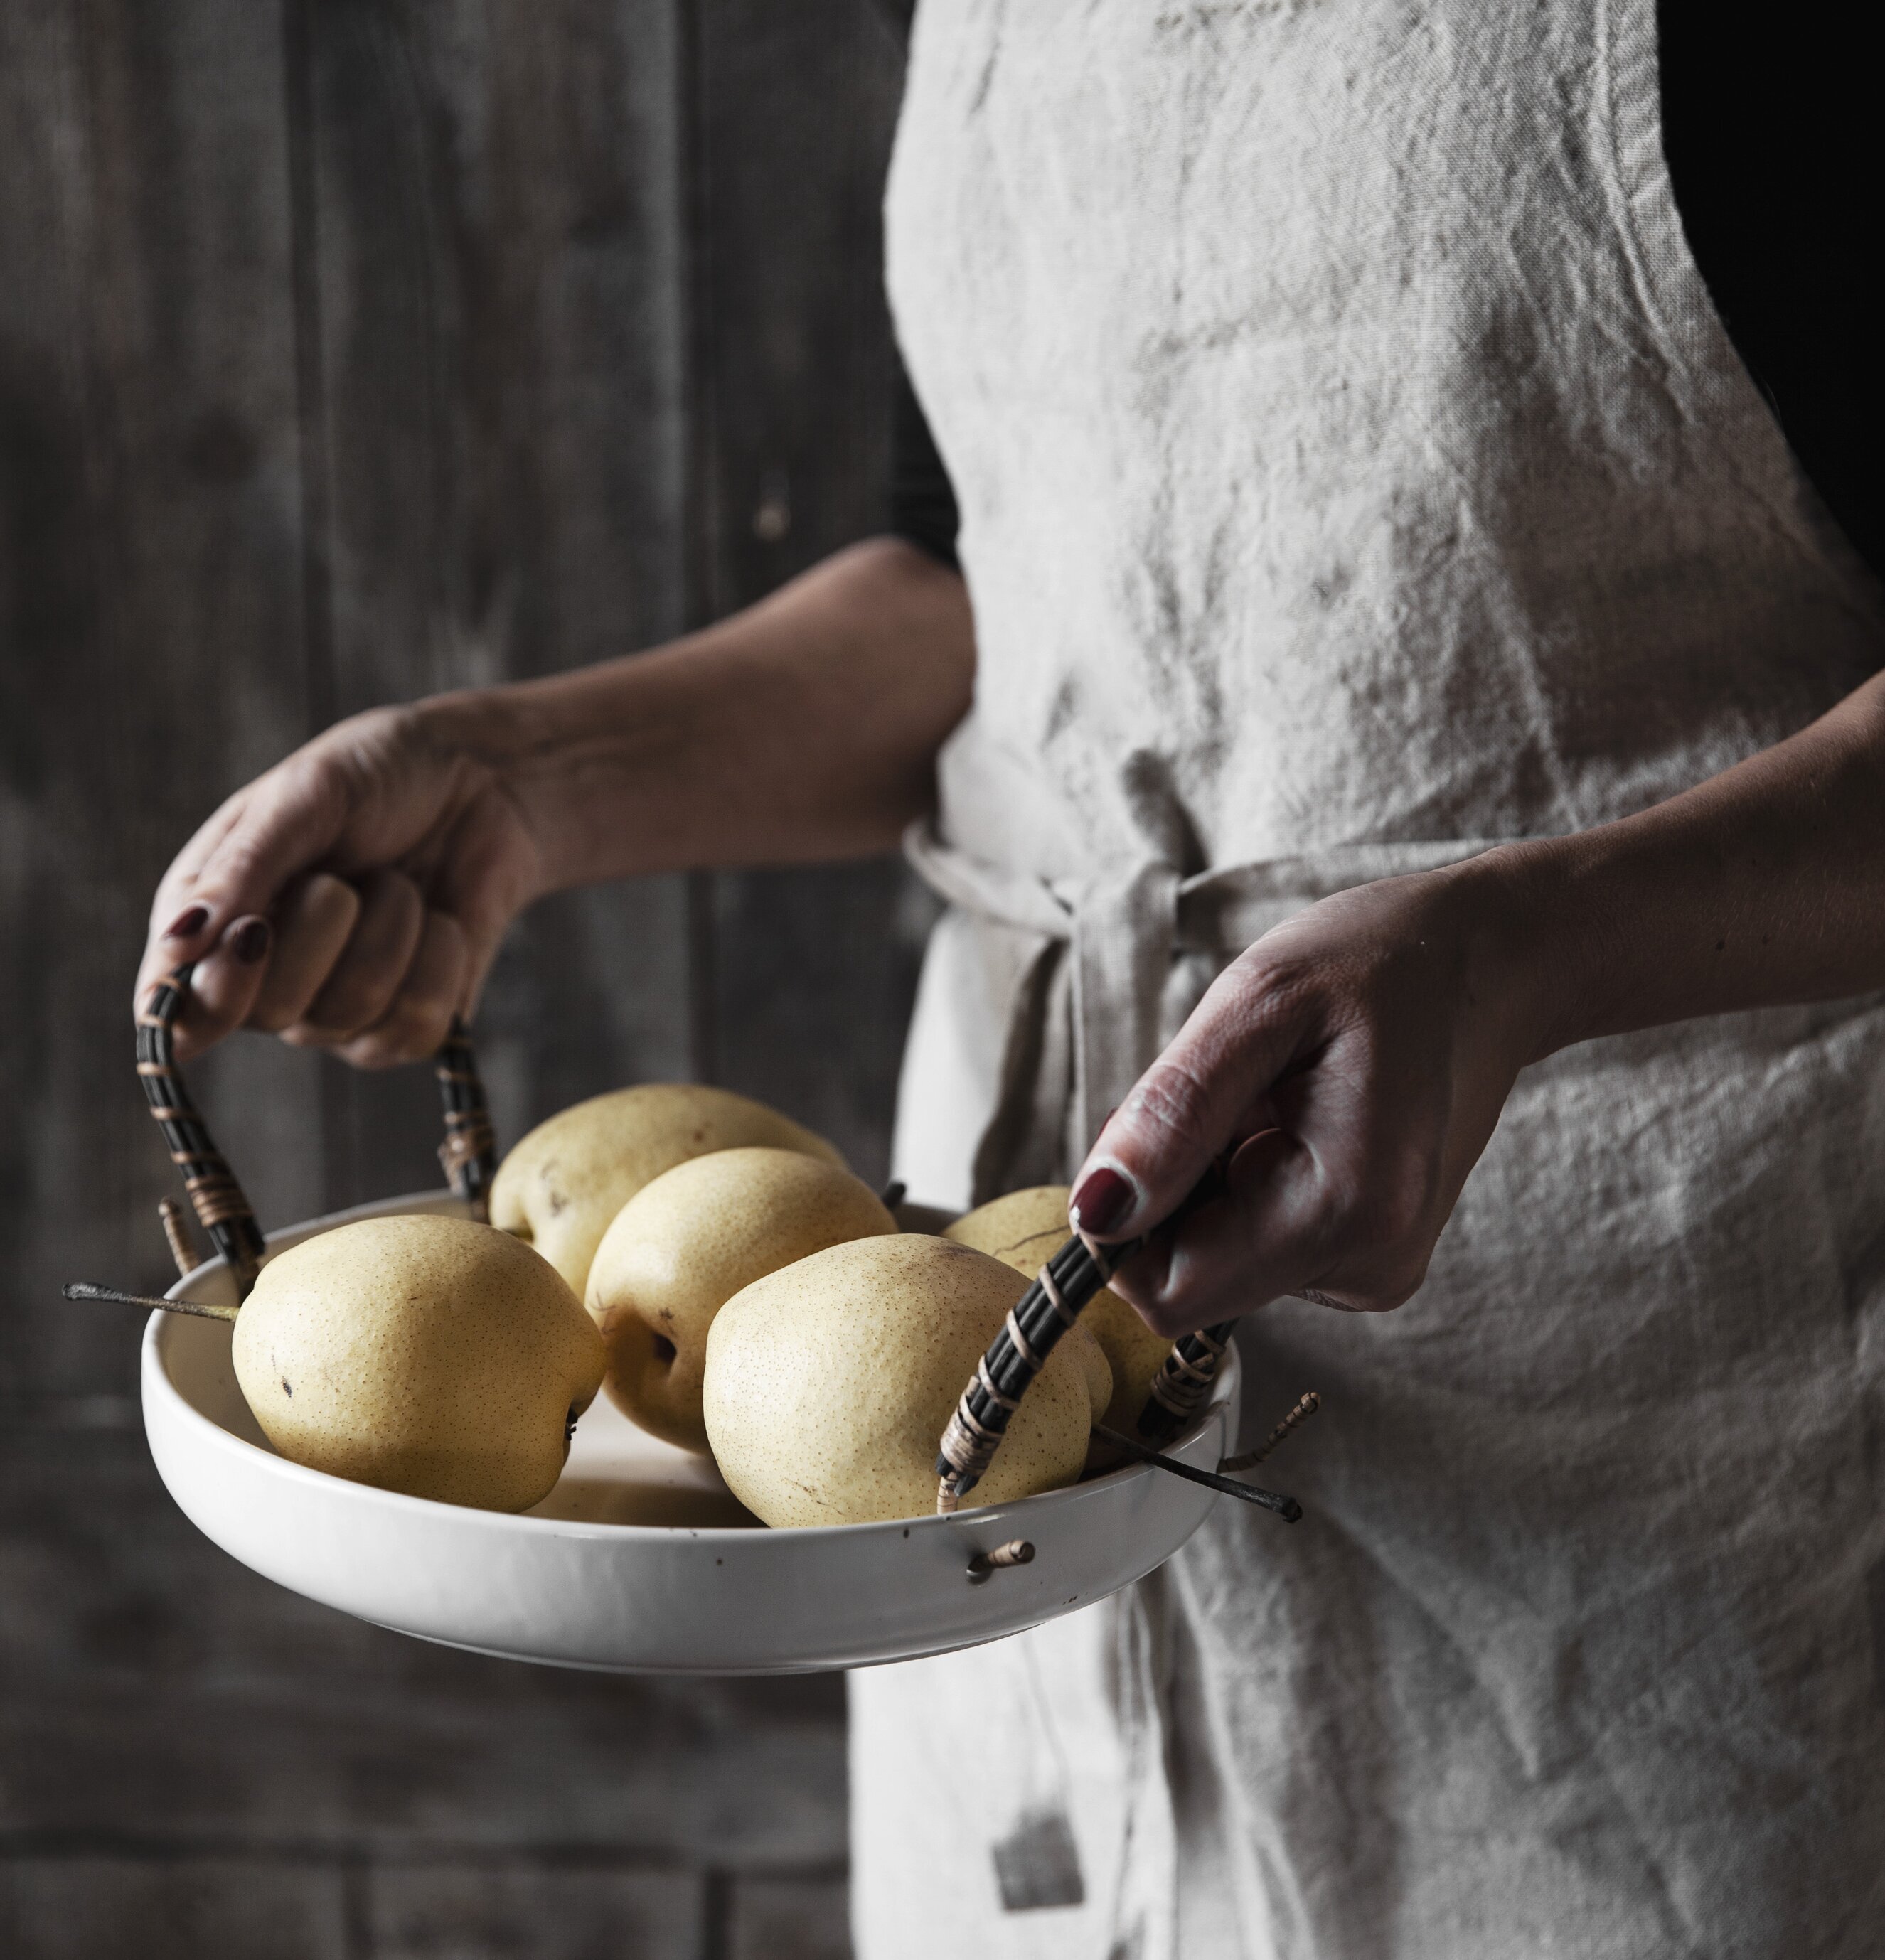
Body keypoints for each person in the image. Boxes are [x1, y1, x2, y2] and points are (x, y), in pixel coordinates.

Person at [140, 2, 1884, 1954]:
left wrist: (1527, 948)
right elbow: (995, 587)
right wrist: (513, 782)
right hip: (968, 1433)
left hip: (1639, 1370)